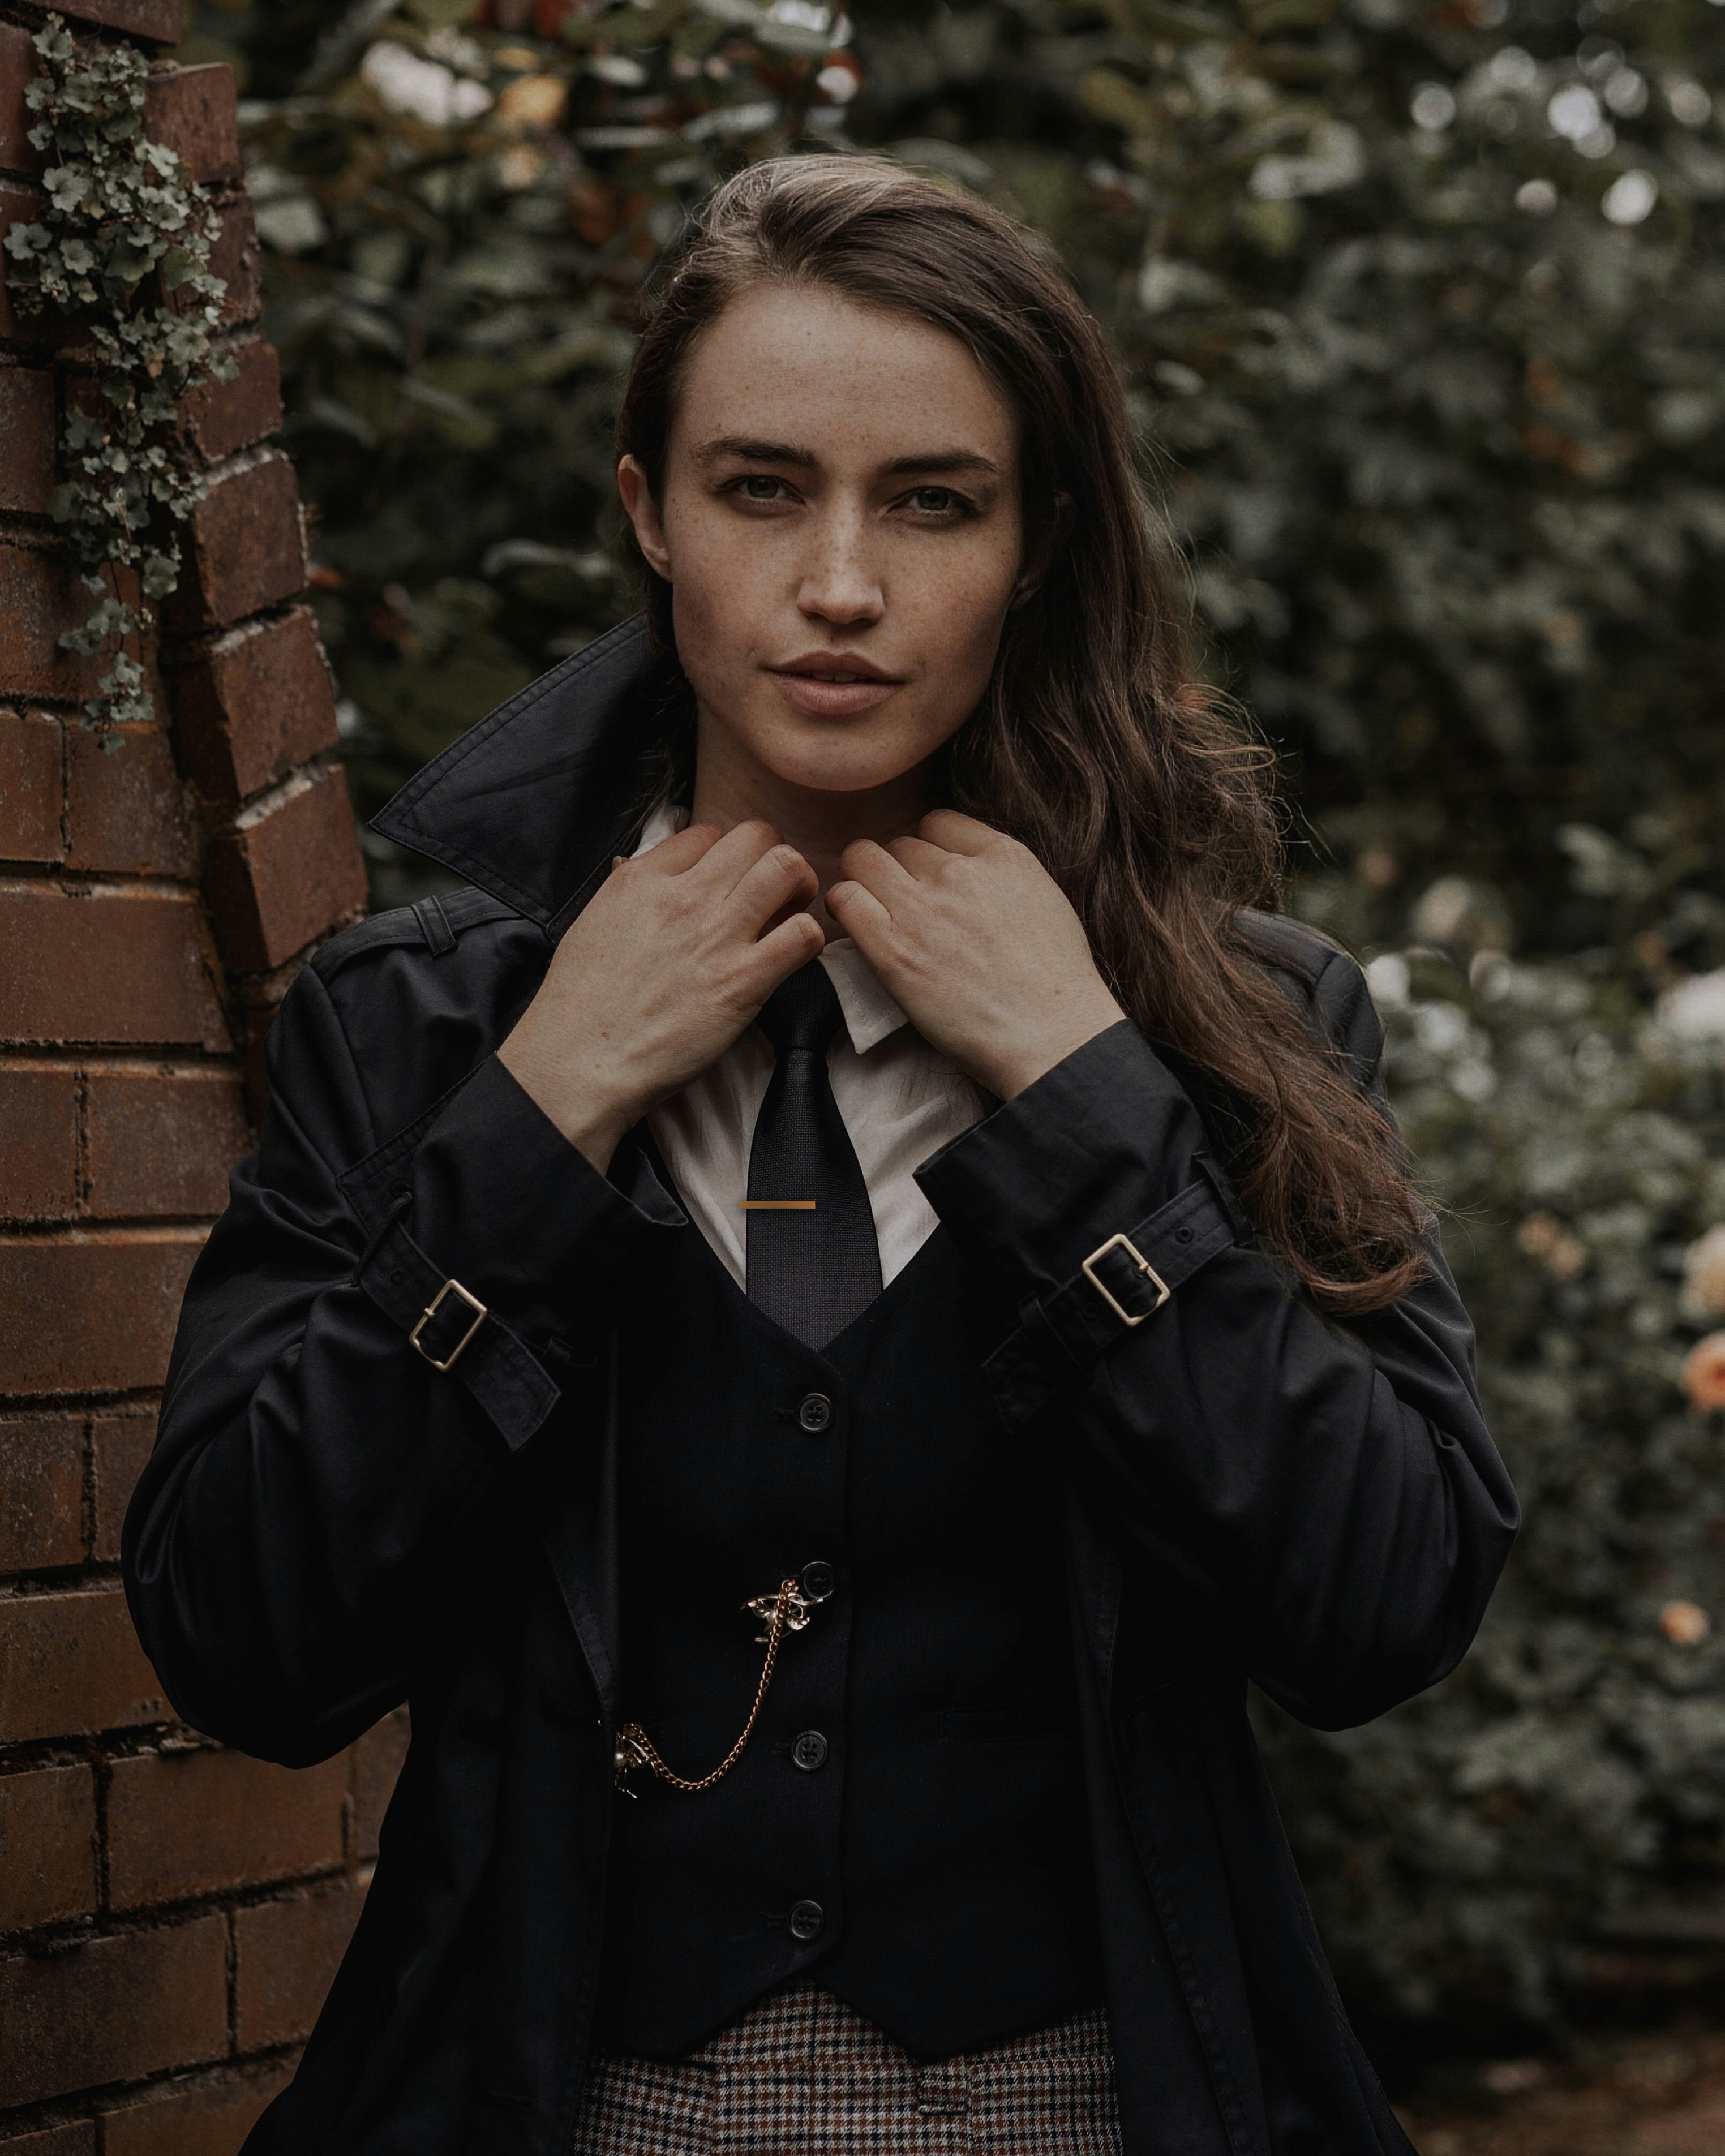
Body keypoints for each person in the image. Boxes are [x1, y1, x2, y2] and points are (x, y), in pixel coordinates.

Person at [125, 156, 1516, 2156]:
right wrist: (537, 1119)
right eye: (763, 488)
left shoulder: (1235, 1029)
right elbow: (239, 1636)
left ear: (1033, 543)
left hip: (1084, 2109)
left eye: (933, 499)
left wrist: (1084, 1093)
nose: (843, 583)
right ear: (648, 513)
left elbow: (1390, 1597)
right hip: (554, 2105)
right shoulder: (420, 1030)